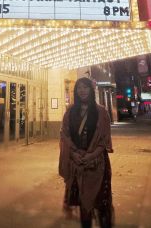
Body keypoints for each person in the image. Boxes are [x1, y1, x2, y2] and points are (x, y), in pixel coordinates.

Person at [59, 77, 114, 228]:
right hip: (77, 164)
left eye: (85, 87)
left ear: (91, 90)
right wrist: (74, 153)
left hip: (97, 164)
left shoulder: (101, 112)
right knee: (83, 204)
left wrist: (90, 155)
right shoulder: (70, 111)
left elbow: (104, 140)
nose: (82, 91)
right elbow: (65, 134)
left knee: (100, 202)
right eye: (79, 88)